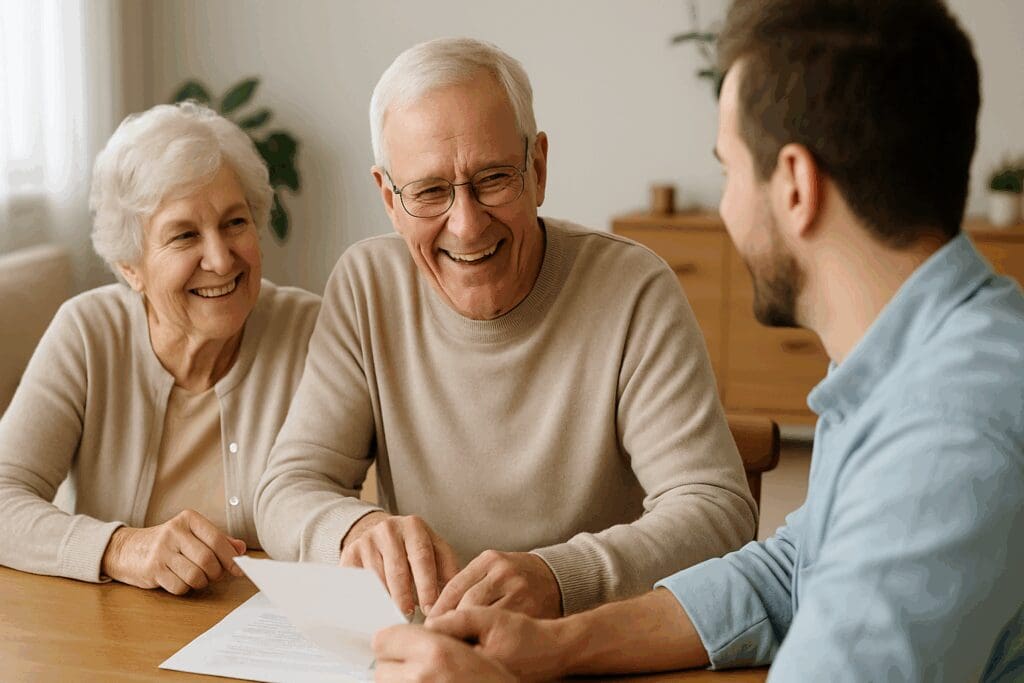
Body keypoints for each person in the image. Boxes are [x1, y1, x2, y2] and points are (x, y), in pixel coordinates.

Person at [371, 1, 1024, 680]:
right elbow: (793, 571)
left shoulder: (948, 436)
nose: (727, 206)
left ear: (795, 185)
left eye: (729, 170)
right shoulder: (919, 359)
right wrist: (559, 645)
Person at [255, 37, 756, 619]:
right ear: (389, 200)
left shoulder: (634, 289)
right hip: (428, 651)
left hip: (583, 644)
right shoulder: (366, 286)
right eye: (430, 192)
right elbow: (287, 489)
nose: (466, 226)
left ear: (538, 169)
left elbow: (716, 510)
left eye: (493, 178)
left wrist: (559, 576)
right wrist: (353, 529)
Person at [0, 102, 320, 596]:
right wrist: (121, 548)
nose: (219, 258)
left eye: (235, 223)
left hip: (265, 634)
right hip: (112, 637)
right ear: (131, 266)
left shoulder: (313, 332)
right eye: (184, 234)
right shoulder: (88, 332)